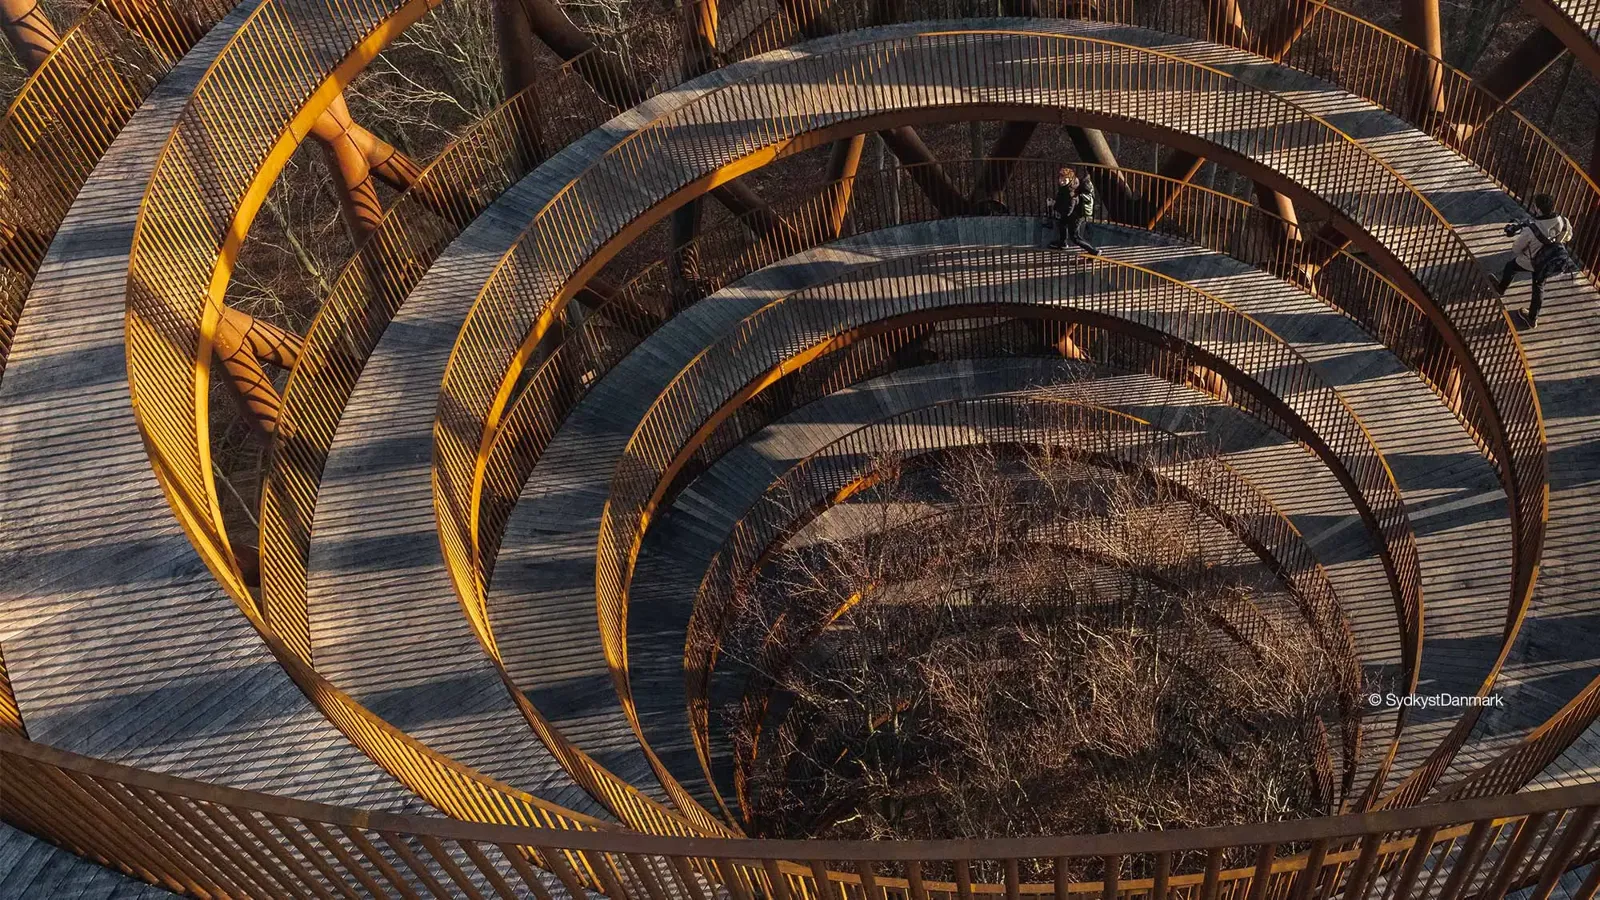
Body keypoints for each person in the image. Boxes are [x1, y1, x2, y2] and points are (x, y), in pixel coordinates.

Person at [1496, 193, 1574, 329]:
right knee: (1538, 288)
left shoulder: (1531, 230)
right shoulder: (1564, 221)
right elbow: (1568, 237)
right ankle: (1532, 318)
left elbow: (1516, 249)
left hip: (1531, 262)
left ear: (1538, 209)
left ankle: (1501, 288)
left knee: (1511, 266)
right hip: (1551, 261)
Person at [1048, 166, 1099, 255]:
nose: (1061, 181)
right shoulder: (1069, 185)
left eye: (1064, 179)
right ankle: (1063, 243)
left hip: (1076, 216)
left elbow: (1068, 211)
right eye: (1060, 178)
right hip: (1073, 212)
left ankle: (1093, 251)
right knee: (1062, 223)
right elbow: (1062, 201)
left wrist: (1053, 205)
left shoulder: (1072, 194)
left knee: (1075, 237)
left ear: (1070, 179)